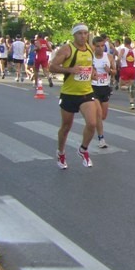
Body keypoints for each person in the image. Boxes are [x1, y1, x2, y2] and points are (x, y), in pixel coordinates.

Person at [49, 23, 97, 169]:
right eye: (80, 33)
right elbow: (52, 66)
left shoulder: (90, 48)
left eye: (85, 33)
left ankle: (83, 149)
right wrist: (70, 69)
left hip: (86, 92)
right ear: (74, 35)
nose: (83, 36)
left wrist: (92, 72)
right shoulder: (67, 49)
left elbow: (90, 65)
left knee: (92, 123)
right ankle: (61, 153)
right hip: (69, 93)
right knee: (66, 127)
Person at [91, 36, 117, 149]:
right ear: (93, 46)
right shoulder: (89, 57)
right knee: (98, 113)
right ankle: (101, 138)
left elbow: (115, 71)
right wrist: (92, 73)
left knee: (103, 116)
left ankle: (96, 124)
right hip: (93, 88)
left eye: (102, 46)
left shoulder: (109, 57)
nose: (100, 48)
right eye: (98, 46)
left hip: (105, 87)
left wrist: (110, 71)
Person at [117, 37, 135, 110]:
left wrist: (119, 65)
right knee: (131, 88)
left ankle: (128, 88)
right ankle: (132, 104)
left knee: (121, 86)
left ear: (124, 43)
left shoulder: (123, 50)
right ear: (130, 43)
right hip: (133, 69)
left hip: (125, 68)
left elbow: (118, 59)